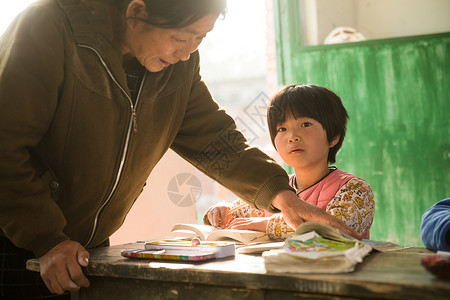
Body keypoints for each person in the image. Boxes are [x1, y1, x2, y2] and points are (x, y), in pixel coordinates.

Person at [0, 0, 361, 298]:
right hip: (16, 237)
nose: (188, 52)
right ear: (137, 13)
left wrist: (284, 196)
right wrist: (45, 237)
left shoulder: (177, 67)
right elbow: (4, 145)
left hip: (82, 244)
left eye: (200, 38)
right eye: (180, 36)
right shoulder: (52, 27)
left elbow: (215, 141)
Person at [204, 84, 375, 240]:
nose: (292, 137)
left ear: (333, 137)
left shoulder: (355, 190)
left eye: (305, 124)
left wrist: (265, 225)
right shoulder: (273, 190)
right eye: (282, 129)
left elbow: (336, 229)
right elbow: (236, 213)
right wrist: (221, 211)